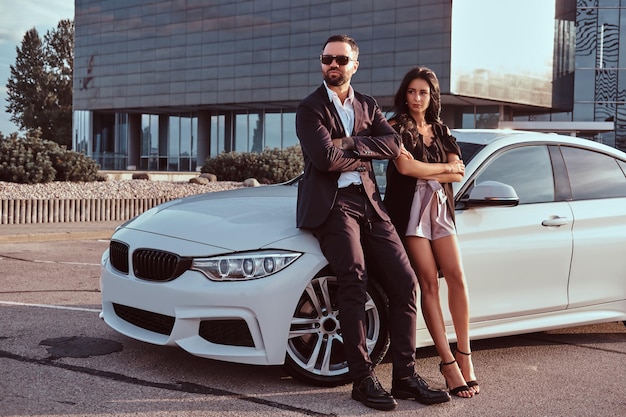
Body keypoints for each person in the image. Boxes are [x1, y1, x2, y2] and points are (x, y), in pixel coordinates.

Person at [295, 35, 451, 411]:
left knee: (405, 281)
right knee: (354, 277)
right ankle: (363, 379)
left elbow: (393, 146)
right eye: (327, 59)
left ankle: (405, 377)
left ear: (354, 65)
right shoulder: (309, 108)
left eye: (340, 59)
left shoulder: (366, 104)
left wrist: (349, 144)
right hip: (332, 207)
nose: (333, 64)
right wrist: (363, 148)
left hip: (369, 202)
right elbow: (325, 160)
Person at [384, 66, 480, 398]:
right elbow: (406, 167)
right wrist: (444, 168)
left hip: (440, 210)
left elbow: (460, 174)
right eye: (411, 91)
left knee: (457, 276)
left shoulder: (441, 130)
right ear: (404, 93)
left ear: (432, 95)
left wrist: (440, 171)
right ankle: (447, 363)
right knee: (427, 283)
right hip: (409, 214)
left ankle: (465, 354)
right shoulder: (394, 127)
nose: (416, 98)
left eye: (423, 92)